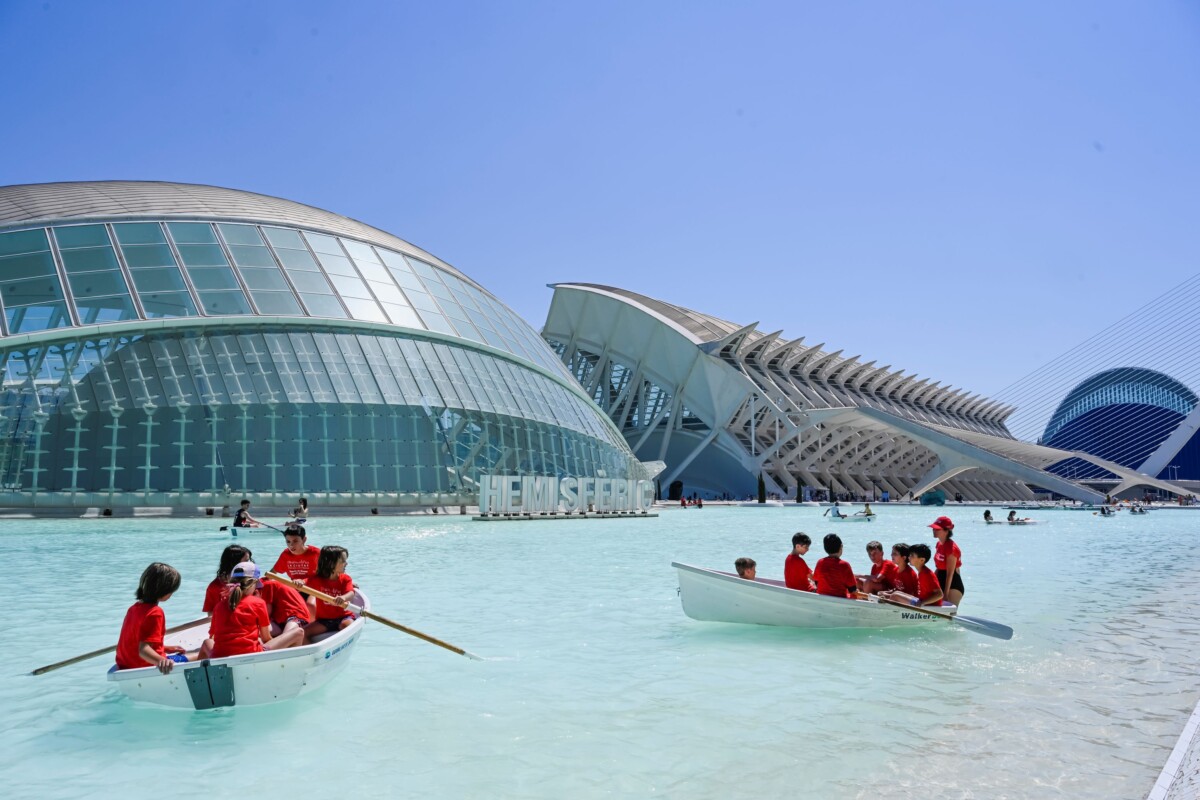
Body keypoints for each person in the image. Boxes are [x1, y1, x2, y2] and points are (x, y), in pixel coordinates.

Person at [116, 563, 211, 673]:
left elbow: (136, 642)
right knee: (200, 654)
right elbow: (143, 650)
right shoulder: (155, 613)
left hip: (126, 665)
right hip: (146, 665)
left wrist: (165, 648)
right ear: (164, 591)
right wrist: (163, 661)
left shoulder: (133, 609)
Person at [210, 562, 304, 658]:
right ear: (252, 584)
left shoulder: (219, 606)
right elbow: (266, 638)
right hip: (251, 654)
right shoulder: (258, 603)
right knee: (299, 632)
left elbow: (213, 636)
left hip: (218, 655)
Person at [304, 546, 358, 637]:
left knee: (347, 626)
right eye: (343, 561)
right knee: (302, 633)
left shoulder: (345, 579)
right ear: (331, 563)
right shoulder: (316, 579)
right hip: (324, 620)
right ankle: (312, 650)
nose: (346, 563)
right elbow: (304, 582)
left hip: (344, 617)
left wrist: (343, 597)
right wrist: (299, 582)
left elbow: (351, 593)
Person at [257, 575, 312, 642]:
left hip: (297, 614)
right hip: (279, 619)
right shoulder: (261, 585)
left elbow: (267, 612)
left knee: (286, 638)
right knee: (257, 633)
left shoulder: (266, 585)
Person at [203, 544, 250, 617]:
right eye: (246, 561)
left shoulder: (250, 581)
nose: (249, 564)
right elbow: (211, 613)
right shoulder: (215, 587)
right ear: (234, 562)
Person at [930, 515, 964, 606]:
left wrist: (945, 594)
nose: (934, 530)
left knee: (949, 615)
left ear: (946, 531)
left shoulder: (951, 548)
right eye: (933, 528)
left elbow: (950, 573)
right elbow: (938, 567)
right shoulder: (939, 544)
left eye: (937, 529)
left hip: (952, 585)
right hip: (940, 581)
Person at [814, 533, 859, 599]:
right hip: (840, 600)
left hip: (822, 599)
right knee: (855, 593)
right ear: (841, 547)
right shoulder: (844, 565)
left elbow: (816, 582)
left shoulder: (820, 562)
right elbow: (852, 589)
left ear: (825, 548)